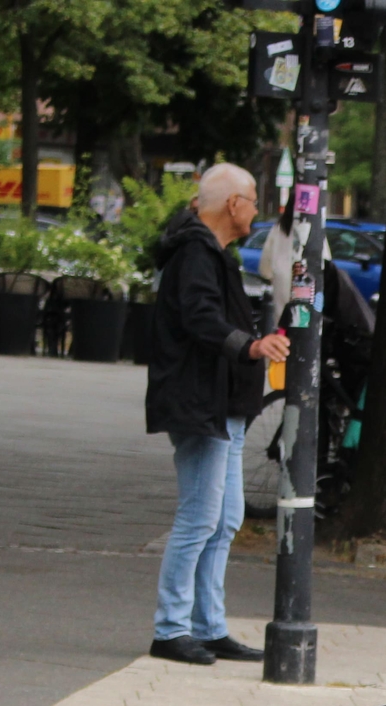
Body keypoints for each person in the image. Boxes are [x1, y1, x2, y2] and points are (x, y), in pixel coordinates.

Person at [144, 162, 288, 666]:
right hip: (199, 402)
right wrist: (249, 348)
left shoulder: (210, 252)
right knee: (200, 517)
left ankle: (207, 626)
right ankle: (171, 629)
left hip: (218, 403)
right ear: (233, 204)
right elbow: (200, 316)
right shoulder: (196, 253)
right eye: (252, 200)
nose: (256, 210)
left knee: (224, 519)